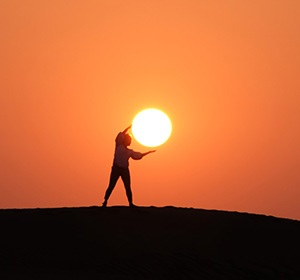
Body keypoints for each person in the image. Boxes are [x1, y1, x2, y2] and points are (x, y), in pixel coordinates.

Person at [102, 125, 155, 207]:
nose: (130, 142)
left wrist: (148, 152)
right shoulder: (119, 145)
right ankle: (105, 201)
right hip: (116, 168)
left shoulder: (129, 151)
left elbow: (138, 155)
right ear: (125, 140)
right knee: (111, 185)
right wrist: (127, 128)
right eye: (129, 140)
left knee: (127, 187)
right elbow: (120, 136)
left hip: (124, 170)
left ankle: (130, 203)